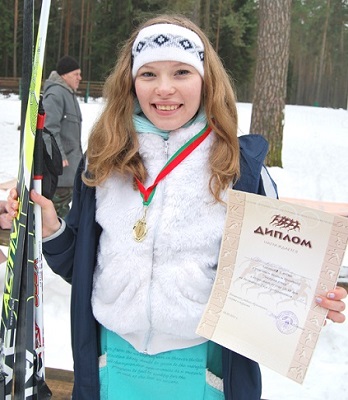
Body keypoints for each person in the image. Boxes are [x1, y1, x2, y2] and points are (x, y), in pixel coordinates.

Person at [6, 15, 347, 400]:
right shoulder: (103, 160)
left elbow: (274, 271)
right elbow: (82, 267)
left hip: (204, 368)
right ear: (131, 82)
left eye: (181, 72)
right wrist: (52, 228)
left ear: (205, 80)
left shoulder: (240, 168)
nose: (164, 89)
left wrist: (309, 299)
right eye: (149, 74)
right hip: (113, 362)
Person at [42, 55, 83, 218]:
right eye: (76, 74)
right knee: (57, 216)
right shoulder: (56, 94)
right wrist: (58, 156)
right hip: (59, 173)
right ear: (64, 75)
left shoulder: (68, 94)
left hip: (69, 171)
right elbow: (48, 129)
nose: (80, 78)